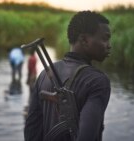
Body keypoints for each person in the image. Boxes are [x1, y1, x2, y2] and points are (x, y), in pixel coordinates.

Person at [24, 11, 111, 141]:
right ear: (84, 40)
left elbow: (31, 131)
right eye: (105, 38)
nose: (109, 45)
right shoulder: (97, 81)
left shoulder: (44, 74)